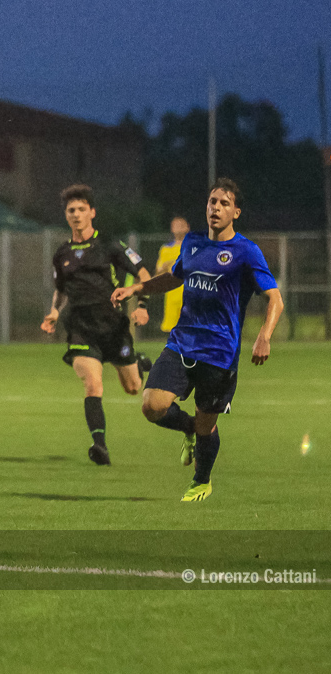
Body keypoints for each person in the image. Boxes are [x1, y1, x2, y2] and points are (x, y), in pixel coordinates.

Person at [112, 178, 283, 501]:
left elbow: (275, 299)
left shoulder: (246, 251)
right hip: (181, 343)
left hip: (219, 354)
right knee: (152, 405)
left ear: (236, 212)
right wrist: (136, 289)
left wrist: (264, 336)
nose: (215, 208)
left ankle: (201, 480)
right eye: (212, 202)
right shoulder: (192, 243)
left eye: (223, 203)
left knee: (208, 426)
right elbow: (173, 278)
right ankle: (187, 428)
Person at [40, 184, 153, 466]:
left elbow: (144, 274)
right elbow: (61, 290)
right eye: (70, 210)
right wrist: (54, 312)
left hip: (113, 327)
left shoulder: (111, 246)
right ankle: (99, 445)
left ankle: (137, 363)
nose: (76, 214)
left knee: (133, 387)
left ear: (92, 212)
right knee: (93, 383)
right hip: (80, 327)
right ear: (66, 216)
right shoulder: (61, 253)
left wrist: (142, 305)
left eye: (81, 209)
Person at [155, 216, 190, 332]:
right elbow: (158, 271)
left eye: (182, 224)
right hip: (172, 292)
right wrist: (165, 266)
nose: (179, 227)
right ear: (172, 229)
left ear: (187, 228)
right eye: (176, 225)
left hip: (190, 292)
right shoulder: (166, 249)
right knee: (172, 328)